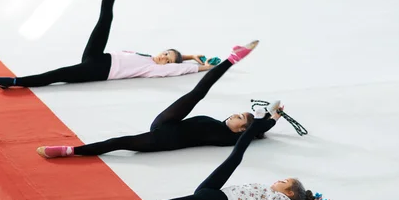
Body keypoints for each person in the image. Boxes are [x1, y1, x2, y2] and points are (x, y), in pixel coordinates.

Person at [0, 0, 214, 89]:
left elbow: (180, 70)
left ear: (168, 66)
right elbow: (177, 59)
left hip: (100, 70)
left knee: (57, 75)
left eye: (167, 60)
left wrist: (205, 66)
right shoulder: (148, 56)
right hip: (98, 56)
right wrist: (190, 54)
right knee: (105, 17)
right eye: (165, 53)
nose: (163, 57)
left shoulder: (153, 69)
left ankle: (14, 82)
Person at [36, 43, 273, 159]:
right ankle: (231, 59)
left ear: (242, 130)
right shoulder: (221, 126)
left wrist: (269, 121)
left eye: (239, 118)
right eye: (238, 113)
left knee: (120, 142)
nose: (234, 115)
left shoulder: (228, 139)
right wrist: (274, 114)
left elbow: (257, 129)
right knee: (198, 92)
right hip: (169, 122)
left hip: (164, 138)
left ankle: (69, 151)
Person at [90, 112, 333, 200]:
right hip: (216, 192)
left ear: (288, 193)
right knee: (235, 158)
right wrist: (270, 120)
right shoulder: (274, 195)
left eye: (284, 181)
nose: (278, 180)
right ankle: (258, 124)